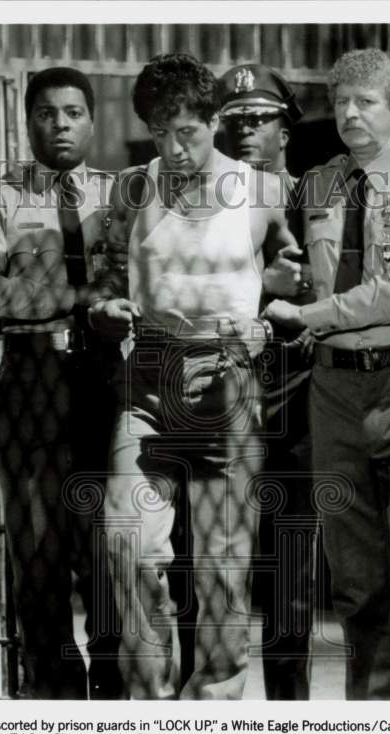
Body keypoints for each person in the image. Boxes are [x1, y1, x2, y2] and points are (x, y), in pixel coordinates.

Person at [263, 48, 390, 700]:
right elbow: (302, 263)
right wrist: (283, 282)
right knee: (356, 580)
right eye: (342, 101)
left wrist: (309, 312)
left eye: (367, 102)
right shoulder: (320, 182)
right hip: (334, 392)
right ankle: (375, 731)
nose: (351, 113)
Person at [90, 53, 296, 700]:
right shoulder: (132, 188)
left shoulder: (262, 191)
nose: (174, 148)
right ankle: (151, 705)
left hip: (229, 378)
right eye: (160, 133)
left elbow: (294, 269)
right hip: (148, 374)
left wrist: (273, 311)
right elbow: (102, 274)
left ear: (213, 123)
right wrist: (104, 306)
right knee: (129, 545)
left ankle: (216, 707)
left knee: (222, 568)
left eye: (188, 132)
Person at [0, 66, 123, 700]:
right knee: (39, 553)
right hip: (30, 377)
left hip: (105, 381)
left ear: (91, 120)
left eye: (74, 112)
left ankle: (112, 689)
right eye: (48, 113)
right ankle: (52, 694)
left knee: (109, 550)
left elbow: (143, 282)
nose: (61, 125)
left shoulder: (121, 196)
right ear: (28, 122)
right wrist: (75, 295)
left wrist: (25, 293)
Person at [217, 63, 316, 701]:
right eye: (236, 121)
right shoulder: (209, 199)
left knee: (289, 575)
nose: (248, 131)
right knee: (212, 564)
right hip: (221, 393)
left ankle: (288, 715)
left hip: (298, 394)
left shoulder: (320, 197)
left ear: (286, 127)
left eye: (260, 118)